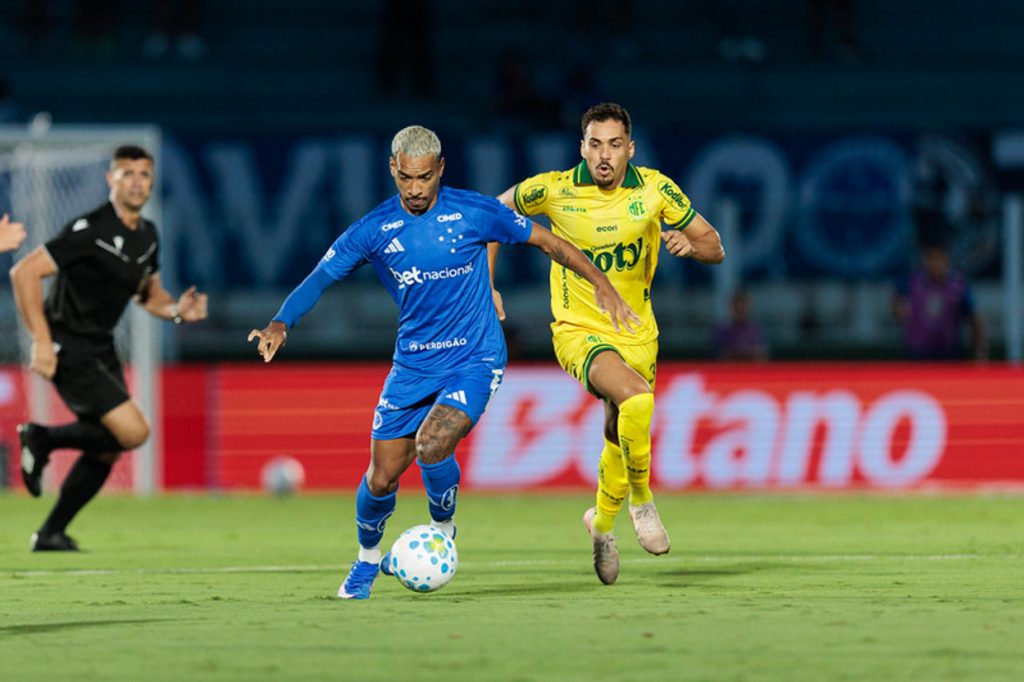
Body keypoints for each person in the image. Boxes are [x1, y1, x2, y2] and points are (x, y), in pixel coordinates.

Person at [247, 125, 637, 600]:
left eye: (425, 177)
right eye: (406, 178)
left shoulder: (474, 212)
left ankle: (442, 530)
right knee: (381, 477)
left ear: (441, 169)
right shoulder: (374, 229)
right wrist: (281, 322)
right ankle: (367, 559)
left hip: (476, 357)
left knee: (433, 443)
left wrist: (601, 283)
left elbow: (549, 242)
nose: (415, 188)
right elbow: (321, 276)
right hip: (413, 365)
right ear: (393, 169)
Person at [495, 102, 725, 585]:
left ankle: (600, 525)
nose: (604, 155)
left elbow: (715, 246)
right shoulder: (554, 189)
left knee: (620, 432)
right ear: (582, 147)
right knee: (636, 398)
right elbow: (491, 214)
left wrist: (691, 247)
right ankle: (642, 501)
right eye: (595, 144)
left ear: (630, 149)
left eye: (614, 145)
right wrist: (487, 286)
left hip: (639, 333)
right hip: (578, 331)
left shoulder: (656, 189)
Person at [10, 145, 208, 551]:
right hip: (67, 341)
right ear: (110, 180)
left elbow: (148, 294)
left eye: (144, 174)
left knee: (109, 447)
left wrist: (176, 310)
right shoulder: (90, 228)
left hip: (100, 347)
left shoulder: (147, 235)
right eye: (127, 173)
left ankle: (50, 533)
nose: (137, 182)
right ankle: (41, 438)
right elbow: (24, 272)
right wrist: (42, 341)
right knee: (133, 431)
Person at [892, 241, 986, 361]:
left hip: (949, 354)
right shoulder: (913, 280)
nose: (934, 263)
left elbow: (975, 317)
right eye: (930, 257)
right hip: (918, 354)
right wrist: (899, 310)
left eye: (938, 257)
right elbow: (897, 300)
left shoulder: (958, 284)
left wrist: (980, 350)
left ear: (946, 259)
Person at [712, 290, 768, 361]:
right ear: (731, 308)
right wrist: (744, 353)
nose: (741, 311)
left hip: (751, 367)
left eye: (743, 307)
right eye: (737, 308)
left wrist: (742, 353)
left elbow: (761, 354)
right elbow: (721, 355)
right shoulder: (721, 330)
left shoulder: (756, 330)